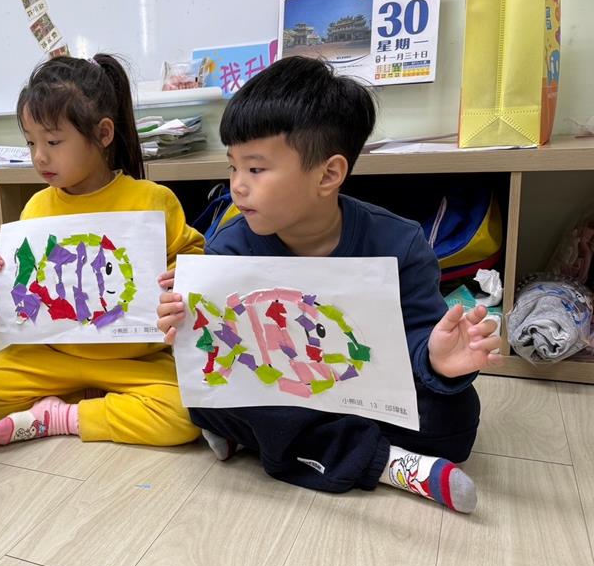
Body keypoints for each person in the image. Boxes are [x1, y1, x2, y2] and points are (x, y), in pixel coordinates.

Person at [157, 57, 498, 514]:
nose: (237, 186)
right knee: (205, 403)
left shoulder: (398, 243)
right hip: (281, 387)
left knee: (455, 418)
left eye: (255, 169)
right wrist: (182, 324)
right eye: (233, 166)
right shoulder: (229, 247)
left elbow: (420, 335)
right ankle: (389, 464)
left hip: (360, 391)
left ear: (328, 174)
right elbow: (219, 354)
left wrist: (439, 360)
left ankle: (268, 442)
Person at [0, 54, 204, 449]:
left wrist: (181, 277)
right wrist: (1, 277)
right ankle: (100, 402)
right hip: (56, 354)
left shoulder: (151, 199)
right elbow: (31, 285)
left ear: (104, 134)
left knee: (186, 413)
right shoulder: (36, 207)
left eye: (53, 142)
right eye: (31, 142)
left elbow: (193, 261)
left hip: (134, 359)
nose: (39, 156)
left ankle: (64, 414)